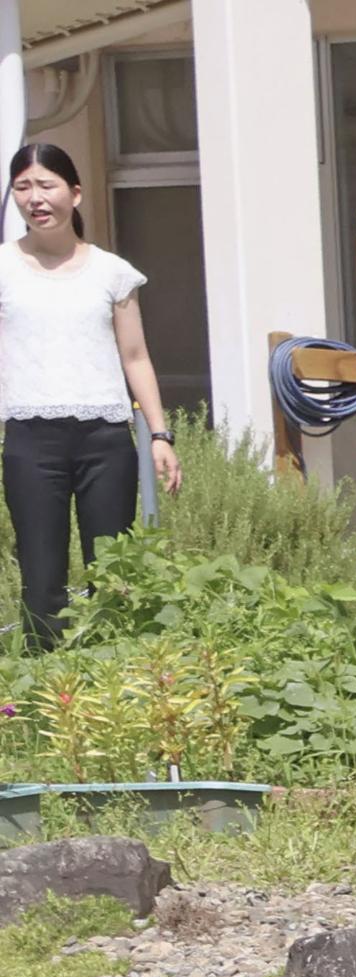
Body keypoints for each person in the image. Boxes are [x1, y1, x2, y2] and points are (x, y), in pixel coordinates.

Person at [0, 144, 178, 649]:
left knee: (113, 574)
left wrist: (160, 434)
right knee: (41, 577)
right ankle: (44, 696)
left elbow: (136, 356)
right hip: (30, 441)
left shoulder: (111, 272)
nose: (36, 199)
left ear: (75, 194)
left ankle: (113, 680)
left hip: (106, 439)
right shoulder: (4, 268)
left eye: (47, 185)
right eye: (23, 187)